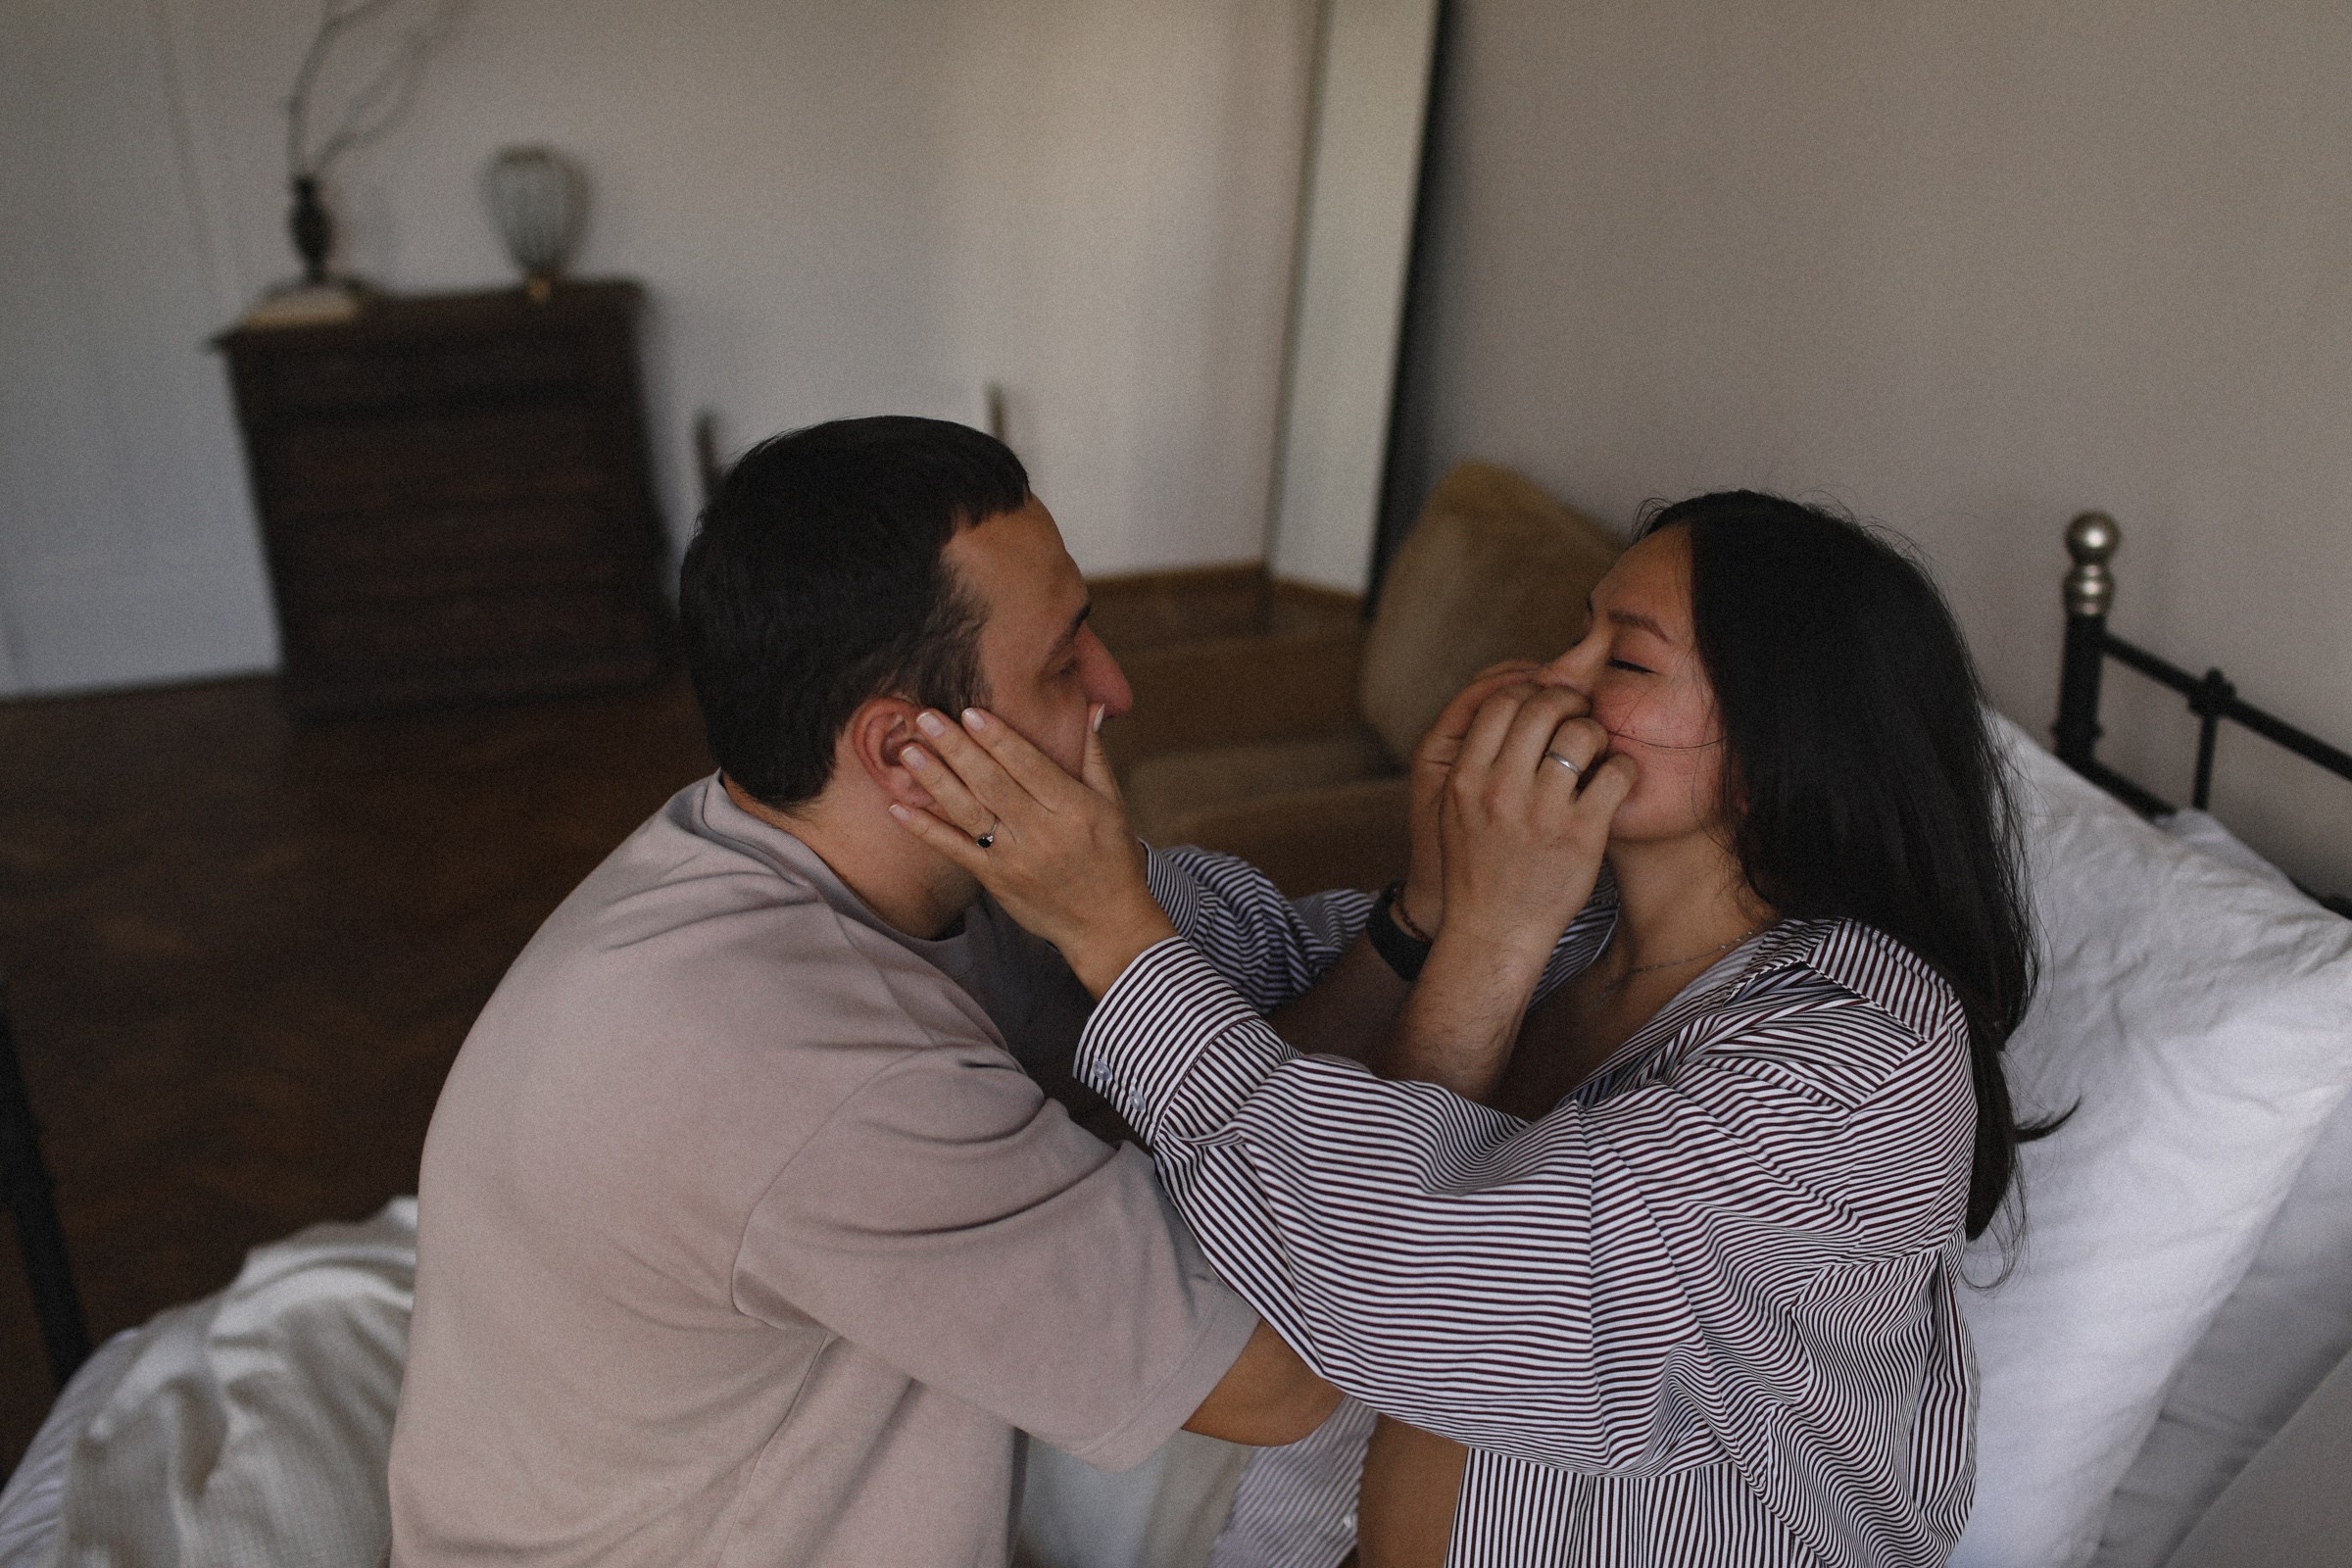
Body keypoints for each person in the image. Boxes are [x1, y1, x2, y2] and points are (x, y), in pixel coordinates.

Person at [891, 490, 2038, 1568]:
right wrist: (1426, 912)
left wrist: (1475, 932)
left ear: (1769, 757)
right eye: (1576, 633)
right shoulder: (1582, 930)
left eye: (1624, 660)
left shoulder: (1858, 1061)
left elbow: (1426, 1291)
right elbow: (1257, 963)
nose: (1556, 678)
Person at [386, 416, 1337, 1568]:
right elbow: (1291, 1382)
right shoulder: (817, 1067)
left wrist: (1429, 925)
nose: (1116, 690)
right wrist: (1119, 932)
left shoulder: (786, 844)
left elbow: (1264, 1038)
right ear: (905, 754)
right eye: (1063, 660)